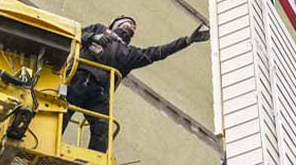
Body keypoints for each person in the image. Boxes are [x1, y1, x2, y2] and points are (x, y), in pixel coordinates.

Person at [63, 15, 210, 153]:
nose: (131, 27)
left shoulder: (130, 53)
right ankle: (46, 139)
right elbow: (74, 35)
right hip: (78, 77)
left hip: (100, 92)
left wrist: (186, 41)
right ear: (114, 24)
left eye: (133, 27)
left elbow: (158, 52)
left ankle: (93, 161)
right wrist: (93, 37)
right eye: (128, 23)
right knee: (61, 111)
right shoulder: (99, 29)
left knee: (103, 128)